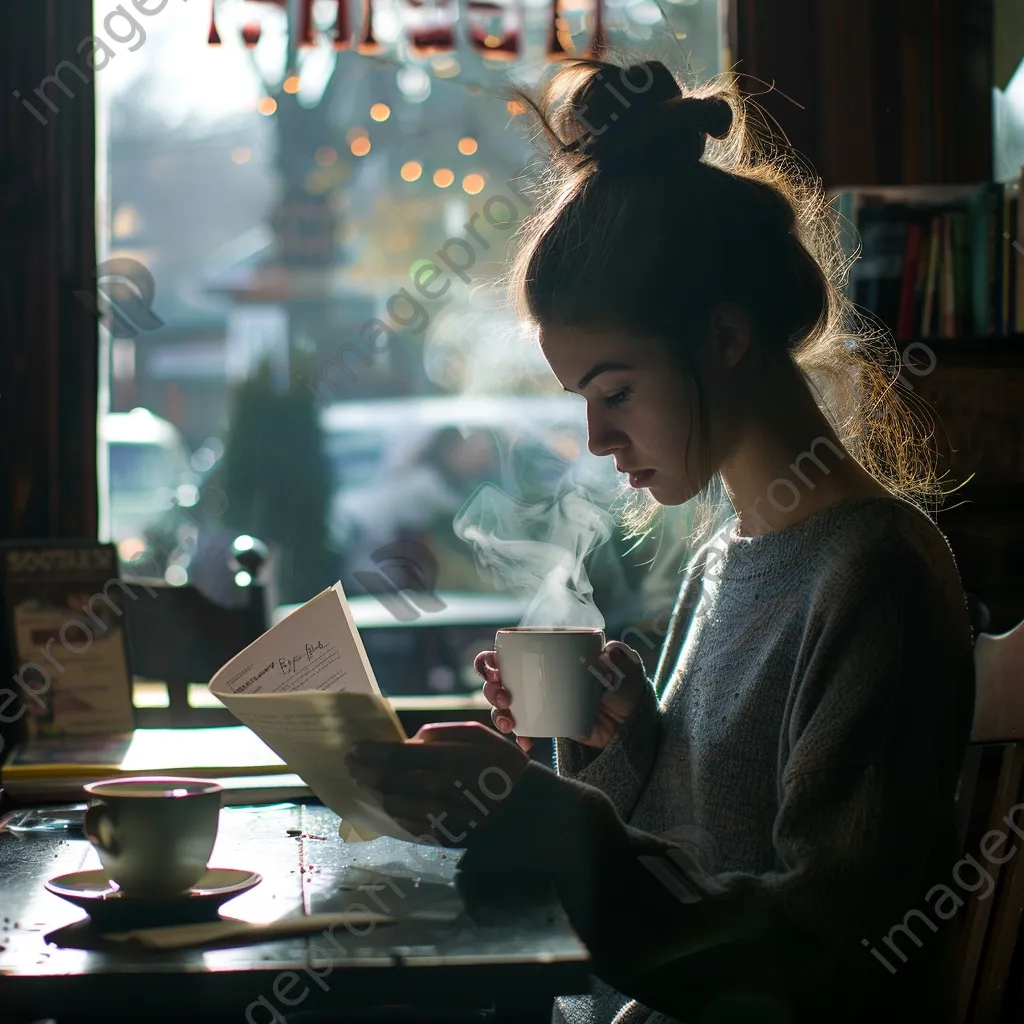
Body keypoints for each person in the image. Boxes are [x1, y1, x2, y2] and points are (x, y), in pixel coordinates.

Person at [345, 58, 975, 1023]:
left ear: (724, 338)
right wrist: (618, 743)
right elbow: (688, 853)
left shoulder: (874, 576)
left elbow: (814, 947)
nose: (597, 439)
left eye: (616, 391)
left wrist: (537, 817)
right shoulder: (729, 554)